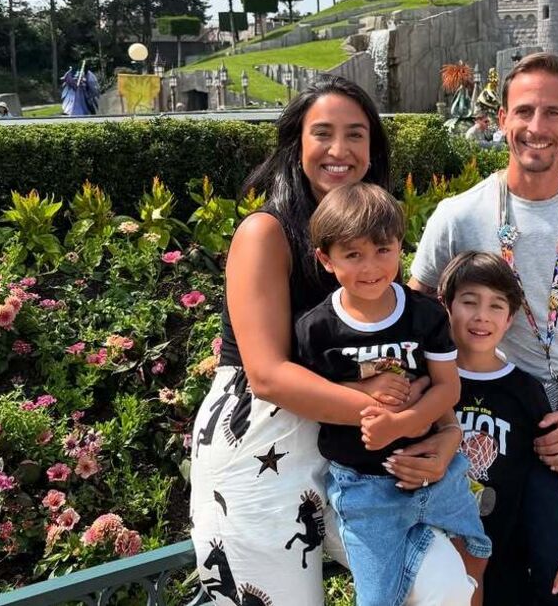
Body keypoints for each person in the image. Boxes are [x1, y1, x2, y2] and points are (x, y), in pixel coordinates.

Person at [190, 78, 470, 606]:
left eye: (356, 135)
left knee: (442, 584)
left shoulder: (368, 235)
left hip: (355, 452)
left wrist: (443, 431)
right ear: (297, 144)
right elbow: (267, 374)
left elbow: (409, 356)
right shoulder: (265, 233)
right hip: (261, 441)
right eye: (323, 133)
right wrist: (391, 415)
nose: (339, 150)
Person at [410, 53, 558, 606]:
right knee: (545, 579)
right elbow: (419, 323)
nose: (536, 128)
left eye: (552, 113)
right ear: (501, 119)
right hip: (505, 417)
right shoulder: (458, 215)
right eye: (523, 111)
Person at [295, 185, 489, 606]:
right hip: (364, 486)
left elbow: (448, 386)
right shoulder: (317, 329)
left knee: (476, 550)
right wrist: (362, 391)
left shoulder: (424, 314)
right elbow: (312, 395)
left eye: (383, 250)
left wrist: (402, 423)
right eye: (353, 254)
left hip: (435, 471)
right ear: (325, 260)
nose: (371, 267)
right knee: (379, 597)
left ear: (401, 245)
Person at [441, 252, 558, 606]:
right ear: (446, 305)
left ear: (510, 319)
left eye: (496, 306)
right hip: (435, 555)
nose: (482, 316)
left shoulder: (526, 390)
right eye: (469, 301)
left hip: (504, 557)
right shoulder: (434, 379)